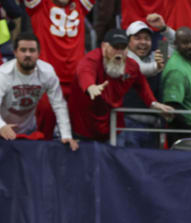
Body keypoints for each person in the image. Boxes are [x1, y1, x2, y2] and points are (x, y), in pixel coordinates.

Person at [69, 29, 173, 142]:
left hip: (112, 127)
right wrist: (90, 87)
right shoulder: (92, 59)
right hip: (83, 128)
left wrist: (153, 103)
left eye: (123, 47)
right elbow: (85, 71)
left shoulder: (131, 66)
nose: (119, 52)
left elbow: (141, 84)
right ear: (104, 47)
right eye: (115, 47)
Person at [26, 0, 93, 140]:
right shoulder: (39, 5)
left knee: (80, 135)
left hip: (76, 80)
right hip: (47, 80)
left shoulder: (80, 4)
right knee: (44, 133)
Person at [0, 32, 78, 150]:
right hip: (3, 131)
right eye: (23, 50)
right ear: (15, 52)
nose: (28, 54)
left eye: (32, 50)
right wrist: (1, 126)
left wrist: (66, 135)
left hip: (29, 130)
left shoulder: (47, 72)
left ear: (38, 53)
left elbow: (59, 104)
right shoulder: (3, 74)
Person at [118, 18, 171, 148]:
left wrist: (164, 29)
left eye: (147, 38)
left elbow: (178, 43)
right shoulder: (123, 58)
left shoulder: (154, 56)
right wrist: (157, 66)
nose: (143, 42)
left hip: (153, 127)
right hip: (129, 125)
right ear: (128, 41)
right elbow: (139, 70)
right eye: (138, 38)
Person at [161, 27, 191, 145]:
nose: (190, 46)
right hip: (184, 132)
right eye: (185, 43)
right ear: (176, 44)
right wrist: (189, 133)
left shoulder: (187, 61)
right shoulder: (176, 69)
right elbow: (173, 107)